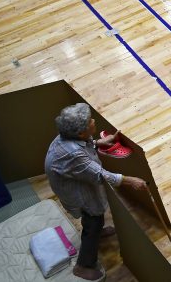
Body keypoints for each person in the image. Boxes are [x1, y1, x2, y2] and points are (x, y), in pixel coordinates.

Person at [45, 103, 147, 281]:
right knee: (94, 219)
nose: (93, 121)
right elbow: (100, 175)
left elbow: (84, 144)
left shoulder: (69, 137)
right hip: (75, 190)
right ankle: (83, 265)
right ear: (80, 132)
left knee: (94, 217)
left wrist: (99, 142)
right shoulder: (73, 154)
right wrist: (131, 181)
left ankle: (97, 232)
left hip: (74, 181)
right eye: (89, 121)